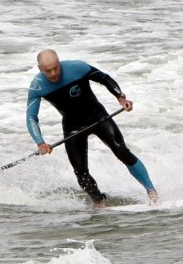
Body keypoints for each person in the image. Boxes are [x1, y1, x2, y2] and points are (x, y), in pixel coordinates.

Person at [26, 49, 159, 208]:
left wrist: (121, 97)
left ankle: (152, 192)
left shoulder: (77, 67)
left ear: (59, 63)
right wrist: (40, 142)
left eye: (56, 68)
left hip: (98, 117)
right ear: (40, 69)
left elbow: (104, 78)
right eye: (48, 71)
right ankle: (99, 202)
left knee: (122, 151)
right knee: (81, 172)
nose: (54, 73)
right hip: (73, 126)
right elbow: (31, 118)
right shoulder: (37, 87)